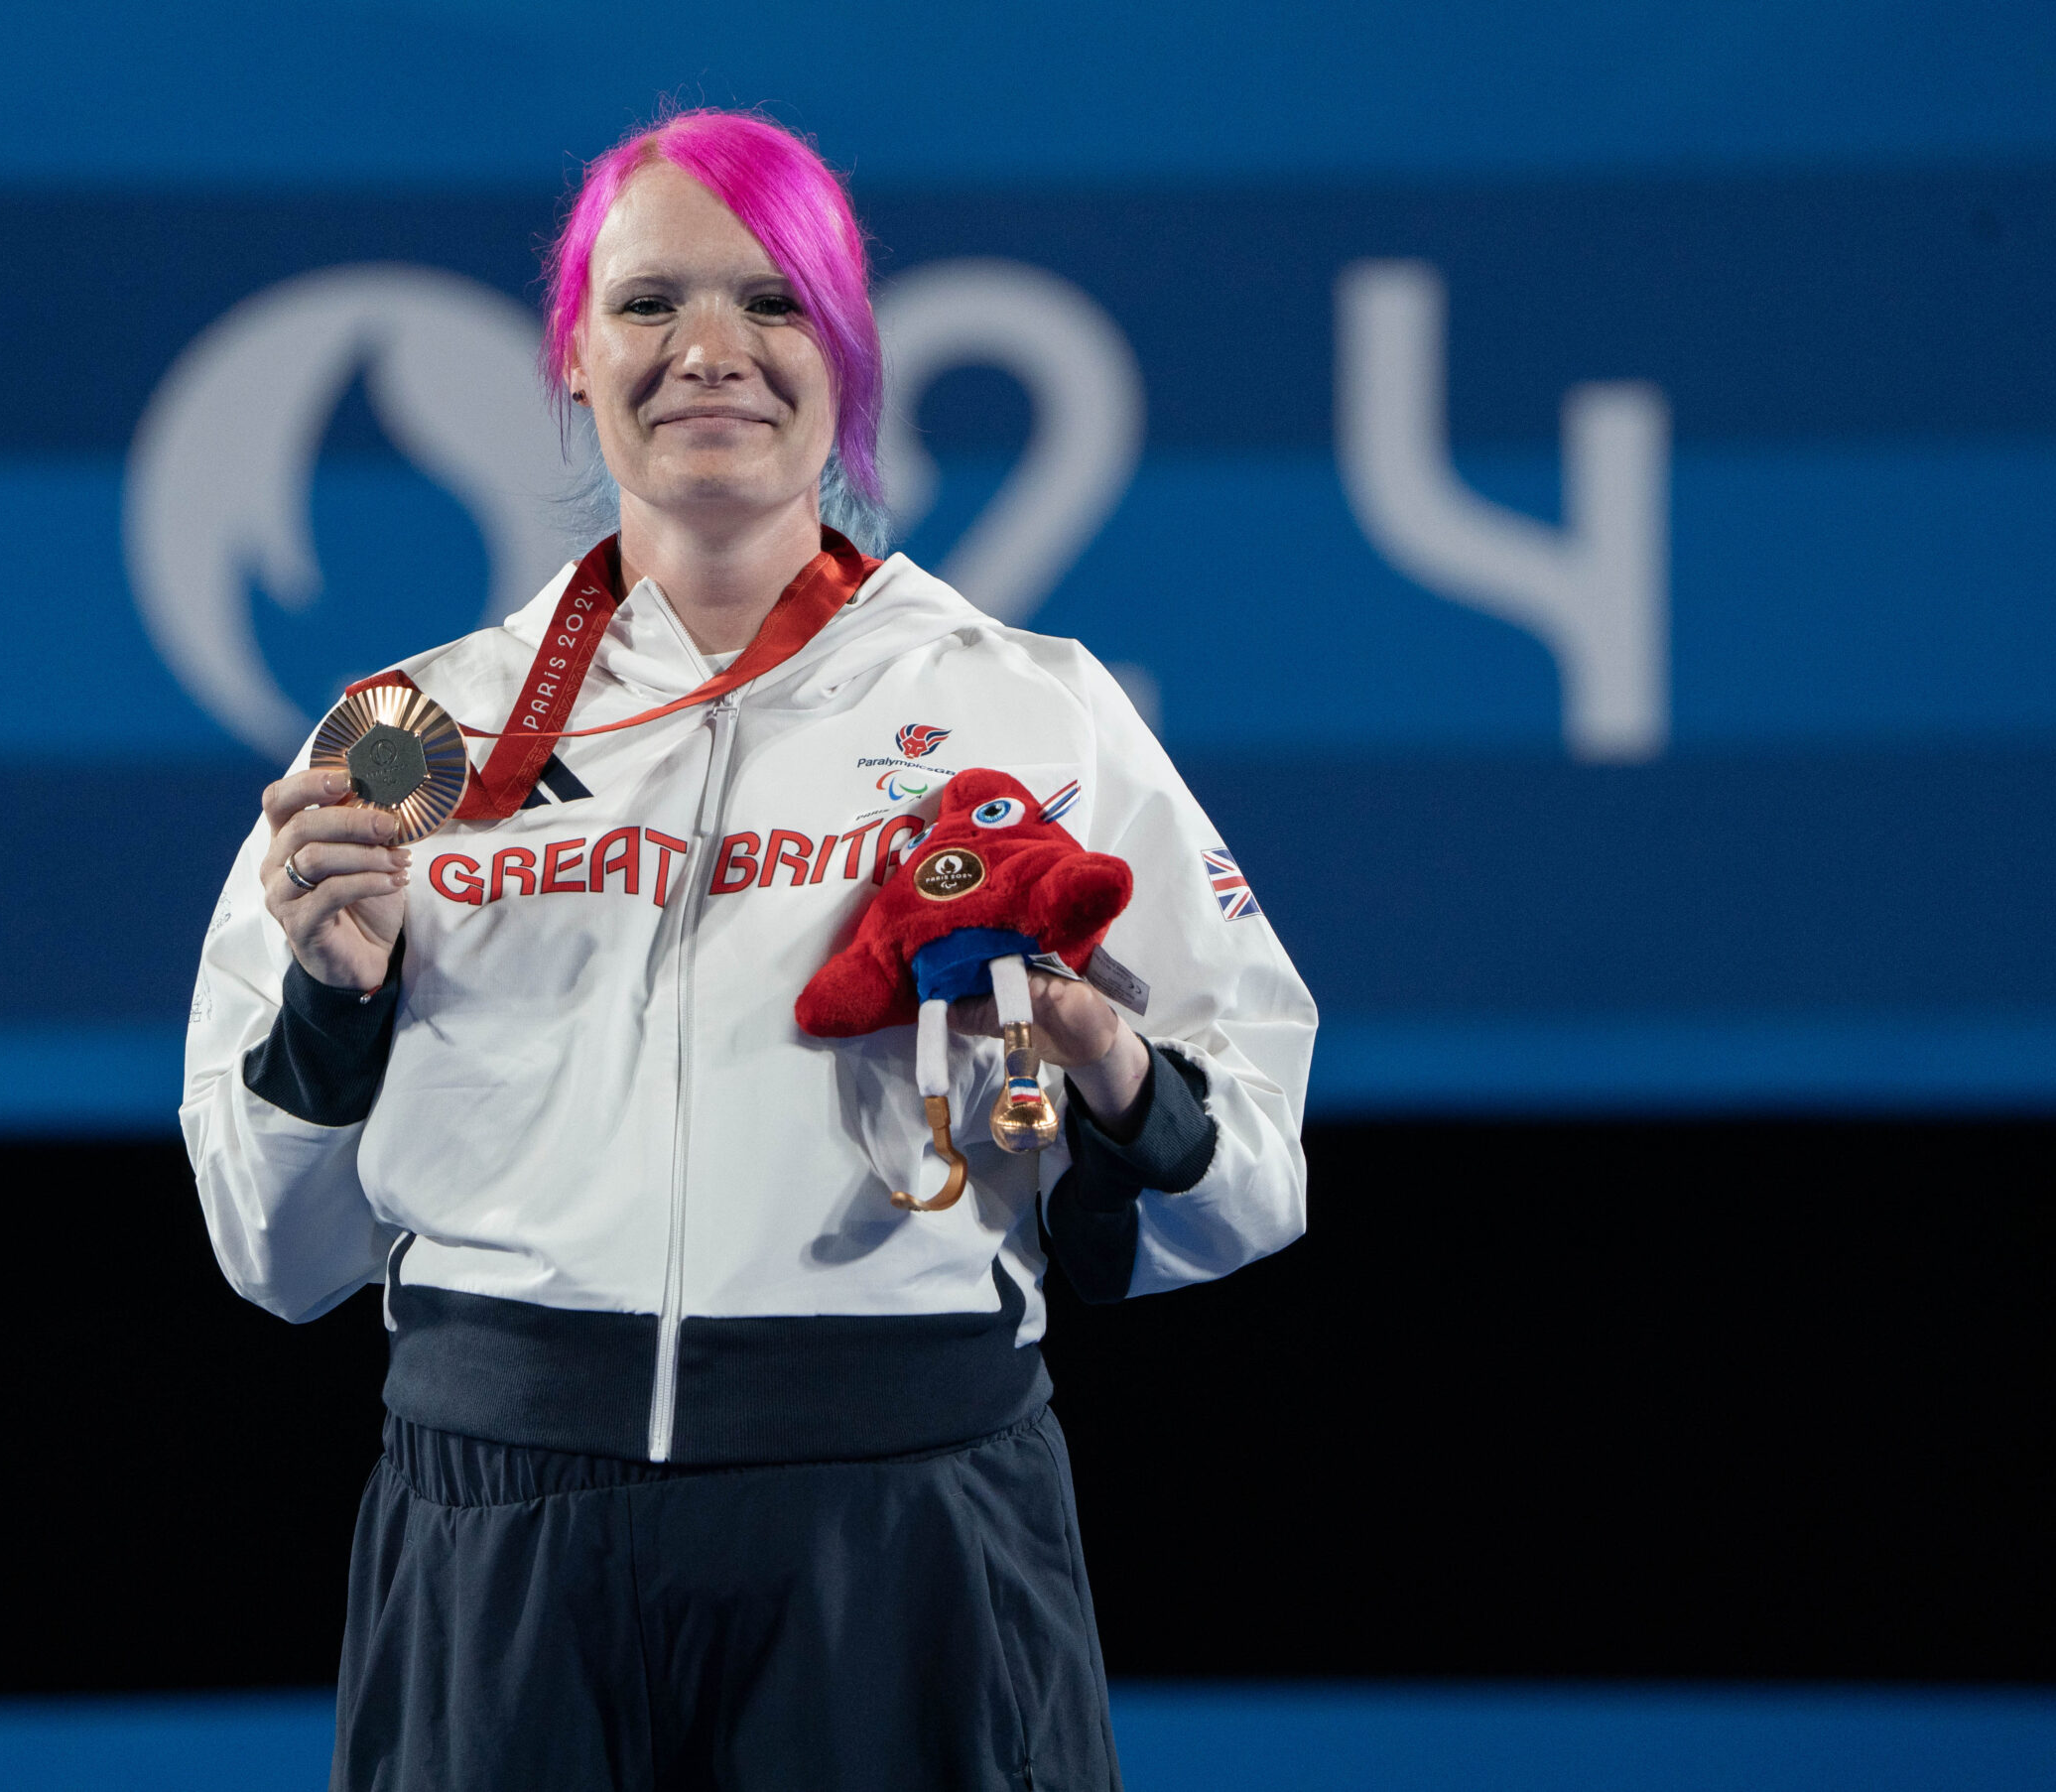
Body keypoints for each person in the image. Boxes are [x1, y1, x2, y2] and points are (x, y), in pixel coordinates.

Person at [182, 107, 1316, 1792]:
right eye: (649, 305)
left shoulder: (1027, 706)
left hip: (898, 1526)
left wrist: (1109, 1069)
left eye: (774, 303)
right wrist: (334, 1007)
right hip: (501, 1538)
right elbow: (268, 1249)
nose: (710, 351)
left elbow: (1256, 1180)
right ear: (571, 356)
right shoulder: (414, 735)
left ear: (848, 364)